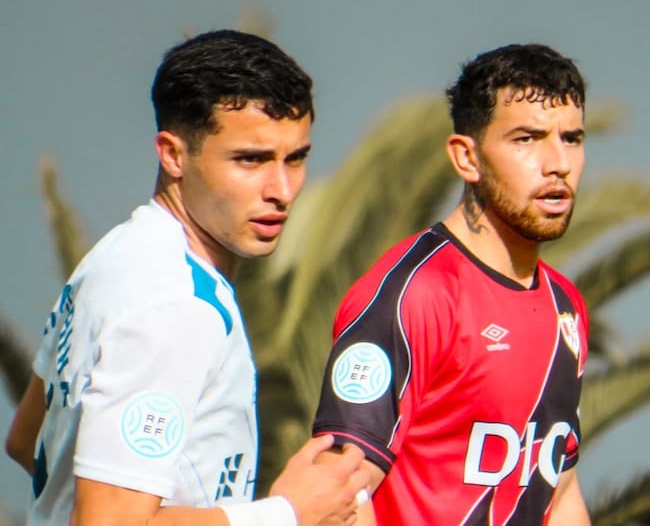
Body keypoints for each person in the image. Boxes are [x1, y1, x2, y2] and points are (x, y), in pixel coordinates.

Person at [6, 30, 370, 526]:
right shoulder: (175, 305)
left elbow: (28, 438)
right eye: (251, 159)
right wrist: (287, 514)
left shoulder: (116, 254)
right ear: (174, 155)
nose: (282, 190)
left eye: (296, 158)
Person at [312, 44, 592, 525]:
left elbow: (559, 487)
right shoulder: (415, 294)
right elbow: (337, 491)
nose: (557, 163)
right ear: (467, 157)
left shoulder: (565, 303)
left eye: (571, 139)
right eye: (527, 139)